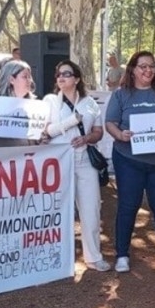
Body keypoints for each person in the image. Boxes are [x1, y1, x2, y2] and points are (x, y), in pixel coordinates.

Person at [105, 51, 155, 273]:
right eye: (143, 66)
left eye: (151, 66)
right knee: (128, 205)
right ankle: (122, 254)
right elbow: (110, 123)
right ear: (132, 69)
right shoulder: (122, 94)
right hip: (128, 159)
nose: (148, 70)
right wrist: (119, 134)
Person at [42, 60, 109, 271]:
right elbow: (45, 132)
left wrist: (87, 138)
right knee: (56, 208)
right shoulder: (50, 101)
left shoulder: (89, 103)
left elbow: (99, 132)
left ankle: (93, 256)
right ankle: (54, 258)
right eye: (58, 74)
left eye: (67, 74)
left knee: (91, 209)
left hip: (84, 160)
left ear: (77, 79)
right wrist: (71, 121)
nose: (61, 77)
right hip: (58, 161)